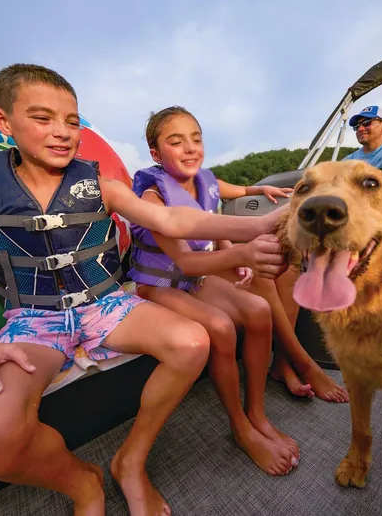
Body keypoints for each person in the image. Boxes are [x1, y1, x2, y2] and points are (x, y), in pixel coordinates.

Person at [0, 65, 286, 516]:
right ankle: (82, 484)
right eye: (43, 118)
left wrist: (256, 226)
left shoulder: (100, 184)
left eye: (72, 121)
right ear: (4, 122)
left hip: (105, 304)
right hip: (34, 320)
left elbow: (172, 221)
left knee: (192, 340)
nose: (62, 133)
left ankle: (131, 460)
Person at [130, 107, 348, 413]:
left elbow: (224, 196)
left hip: (197, 276)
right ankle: (301, 361)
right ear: (155, 154)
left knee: (284, 274)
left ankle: (282, 363)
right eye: (176, 142)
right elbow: (187, 263)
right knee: (252, 285)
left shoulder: (205, 181)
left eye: (196, 139)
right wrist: (240, 254)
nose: (190, 148)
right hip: (163, 283)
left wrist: (258, 188)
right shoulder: (152, 198)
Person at [272, 106, 382, 397]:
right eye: (356, 125)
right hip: (344, 227)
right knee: (288, 272)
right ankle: (289, 360)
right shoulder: (349, 160)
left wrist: (379, 176)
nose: (360, 128)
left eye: (367, 123)